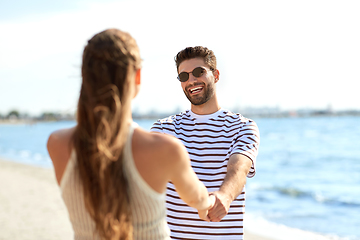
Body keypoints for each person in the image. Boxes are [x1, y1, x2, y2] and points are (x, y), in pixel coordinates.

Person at [47, 29, 215, 240]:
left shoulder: (57, 144)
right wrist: (208, 203)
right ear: (137, 75)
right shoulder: (164, 149)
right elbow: (197, 198)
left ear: (85, 77)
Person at [151, 46, 260, 239]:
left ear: (216, 75)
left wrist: (225, 196)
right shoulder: (164, 129)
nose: (191, 80)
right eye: (183, 76)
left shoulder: (243, 127)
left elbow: (239, 168)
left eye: (198, 72)